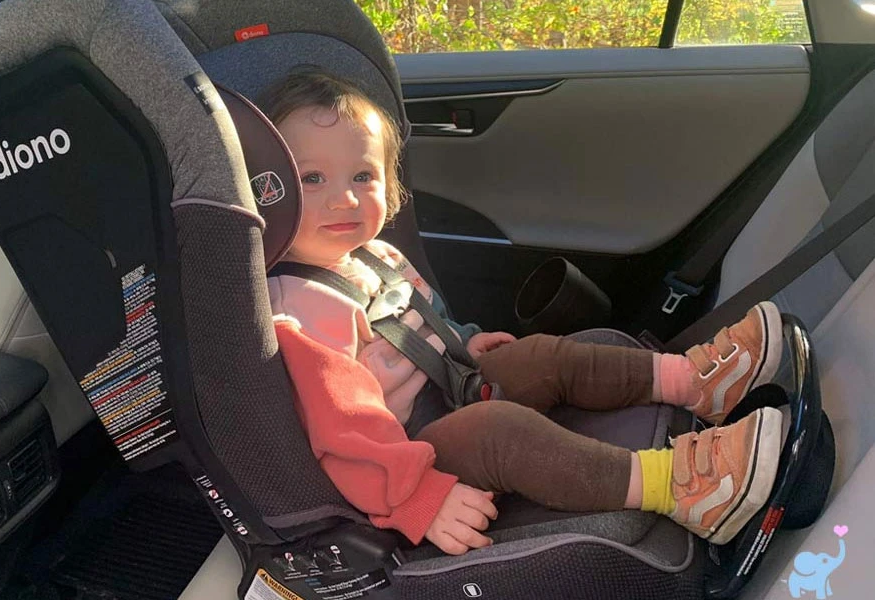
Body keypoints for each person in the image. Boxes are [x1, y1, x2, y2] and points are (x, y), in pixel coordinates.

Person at [259, 71, 784, 556]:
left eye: (363, 176)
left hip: (453, 383)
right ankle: (682, 486)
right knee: (499, 429)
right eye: (312, 180)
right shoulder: (298, 312)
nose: (346, 200)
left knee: (536, 356)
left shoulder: (378, 255)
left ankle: (694, 381)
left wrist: (466, 342)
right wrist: (418, 498)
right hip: (408, 452)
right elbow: (346, 432)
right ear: (265, 192)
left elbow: (423, 319)